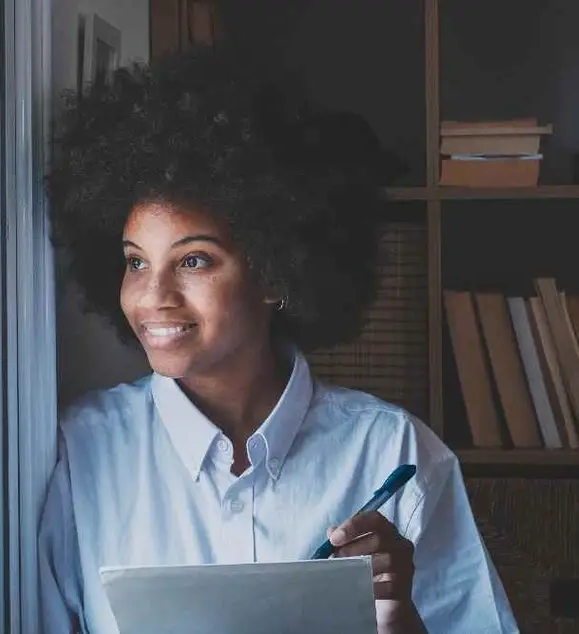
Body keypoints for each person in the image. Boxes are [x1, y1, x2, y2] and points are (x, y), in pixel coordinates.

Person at [39, 47, 518, 634]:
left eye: (193, 260)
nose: (152, 295)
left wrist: (400, 620)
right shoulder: (80, 452)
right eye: (135, 262)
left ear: (274, 273)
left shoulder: (397, 454)